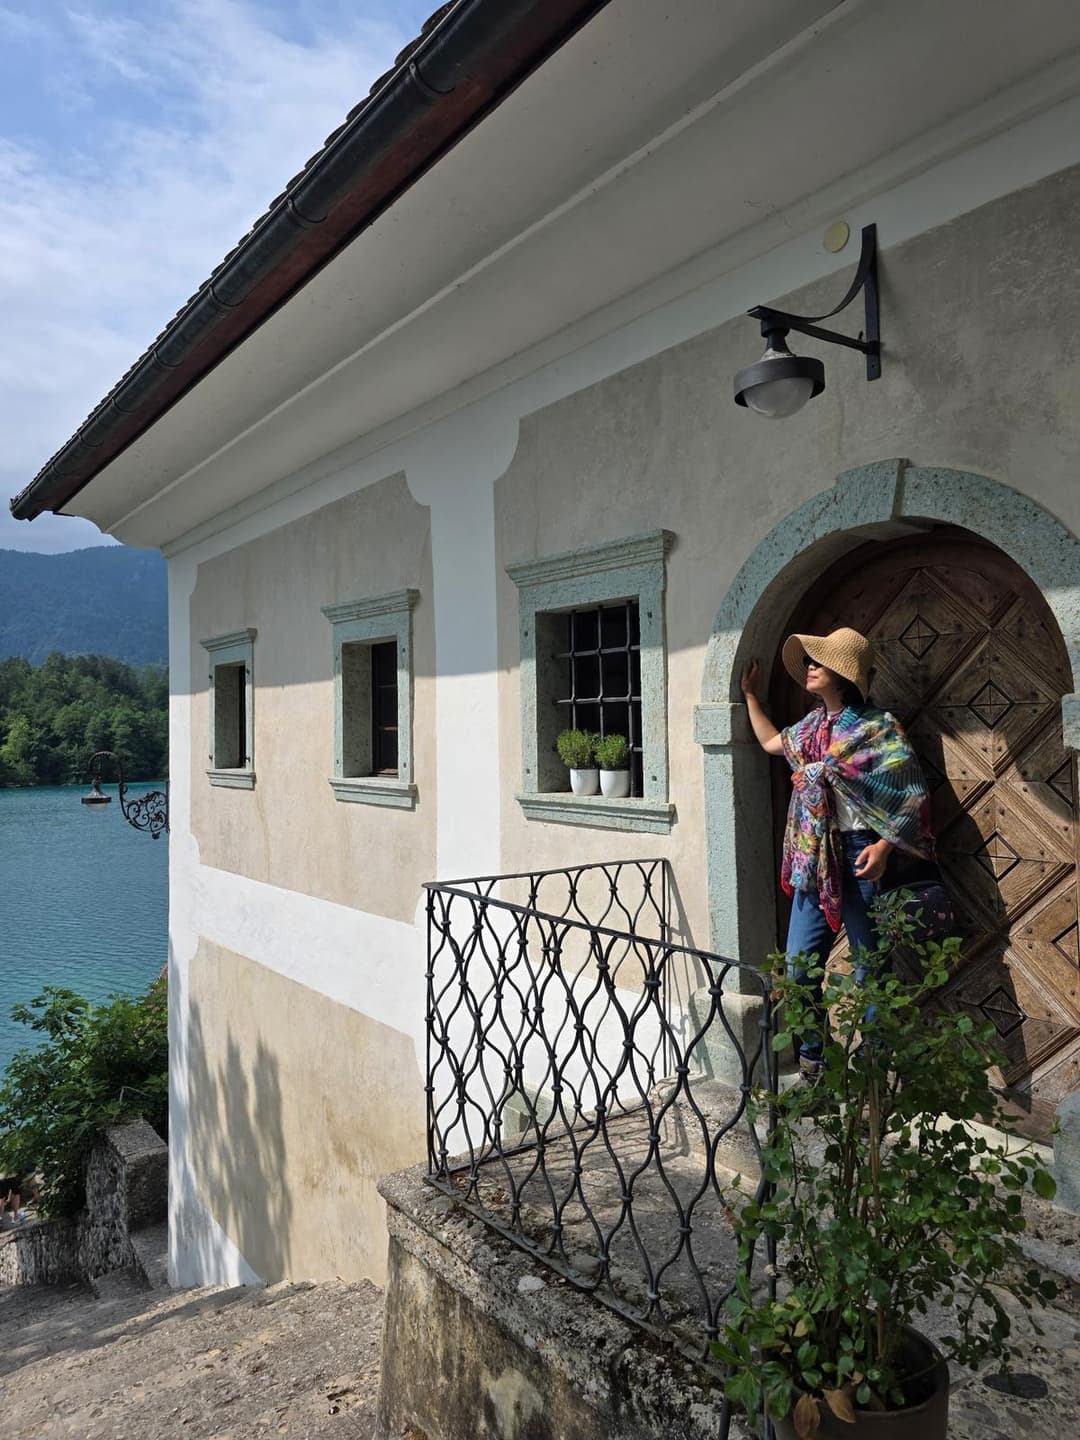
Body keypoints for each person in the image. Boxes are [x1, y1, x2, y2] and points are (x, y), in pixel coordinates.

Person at [740, 627, 935, 1082]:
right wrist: (750, 697)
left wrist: (885, 846)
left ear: (843, 674)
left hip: (863, 853)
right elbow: (773, 745)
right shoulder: (809, 729)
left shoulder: (878, 728)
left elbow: (912, 796)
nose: (809, 667)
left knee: (872, 971)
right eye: (809, 660)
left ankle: (874, 1079)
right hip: (815, 858)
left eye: (819, 661)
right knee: (799, 969)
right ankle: (817, 1068)